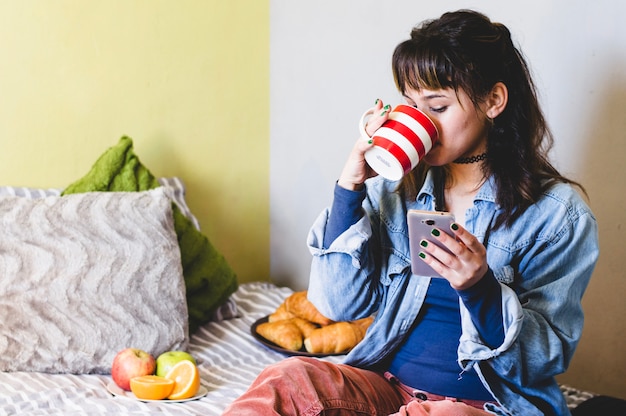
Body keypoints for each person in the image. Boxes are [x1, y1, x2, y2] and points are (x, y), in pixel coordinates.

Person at [223, 9, 599, 416]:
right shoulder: (396, 190)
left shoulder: (558, 216)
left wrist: (481, 289)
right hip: (389, 389)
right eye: (413, 106)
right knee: (289, 379)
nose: (422, 123)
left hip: (490, 405)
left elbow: (543, 358)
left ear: (493, 100)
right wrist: (350, 188)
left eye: (437, 107)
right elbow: (337, 305)